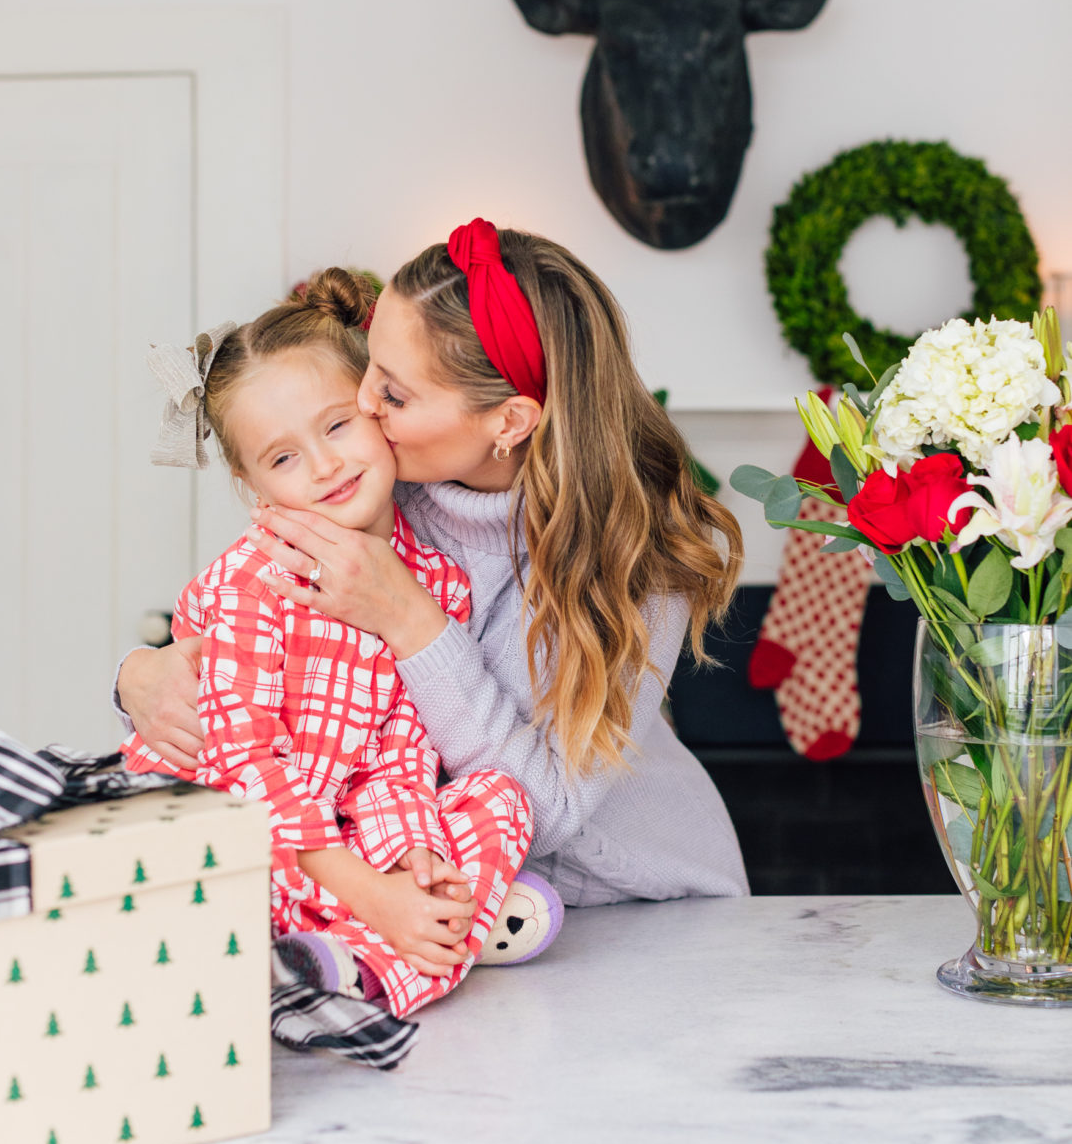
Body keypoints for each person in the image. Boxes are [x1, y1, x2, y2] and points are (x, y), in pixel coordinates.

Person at [118, 220, 750, 909]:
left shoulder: (638, 561)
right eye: (369, 372)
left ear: (509, 421)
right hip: (430, 893)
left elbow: (547, 812)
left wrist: (410, 620)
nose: (359, 407)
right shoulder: (372, 485)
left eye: (392, 393)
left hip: (632, 901)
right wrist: (138, 678)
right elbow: (275, 676)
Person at [123, 268, 539, 1021]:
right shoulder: (252, 585)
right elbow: (245, 767)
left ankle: (357, 964)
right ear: (255, 491)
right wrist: (368, 888)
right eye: (283, 458)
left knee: (498, 801)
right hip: (242, 825)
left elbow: (403, 756)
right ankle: (395, 939)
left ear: (379, 412)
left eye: (337, 425)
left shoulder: (435, 581)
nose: (324, 466)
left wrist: (412, 854)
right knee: (218, 865)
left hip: (345, 831)